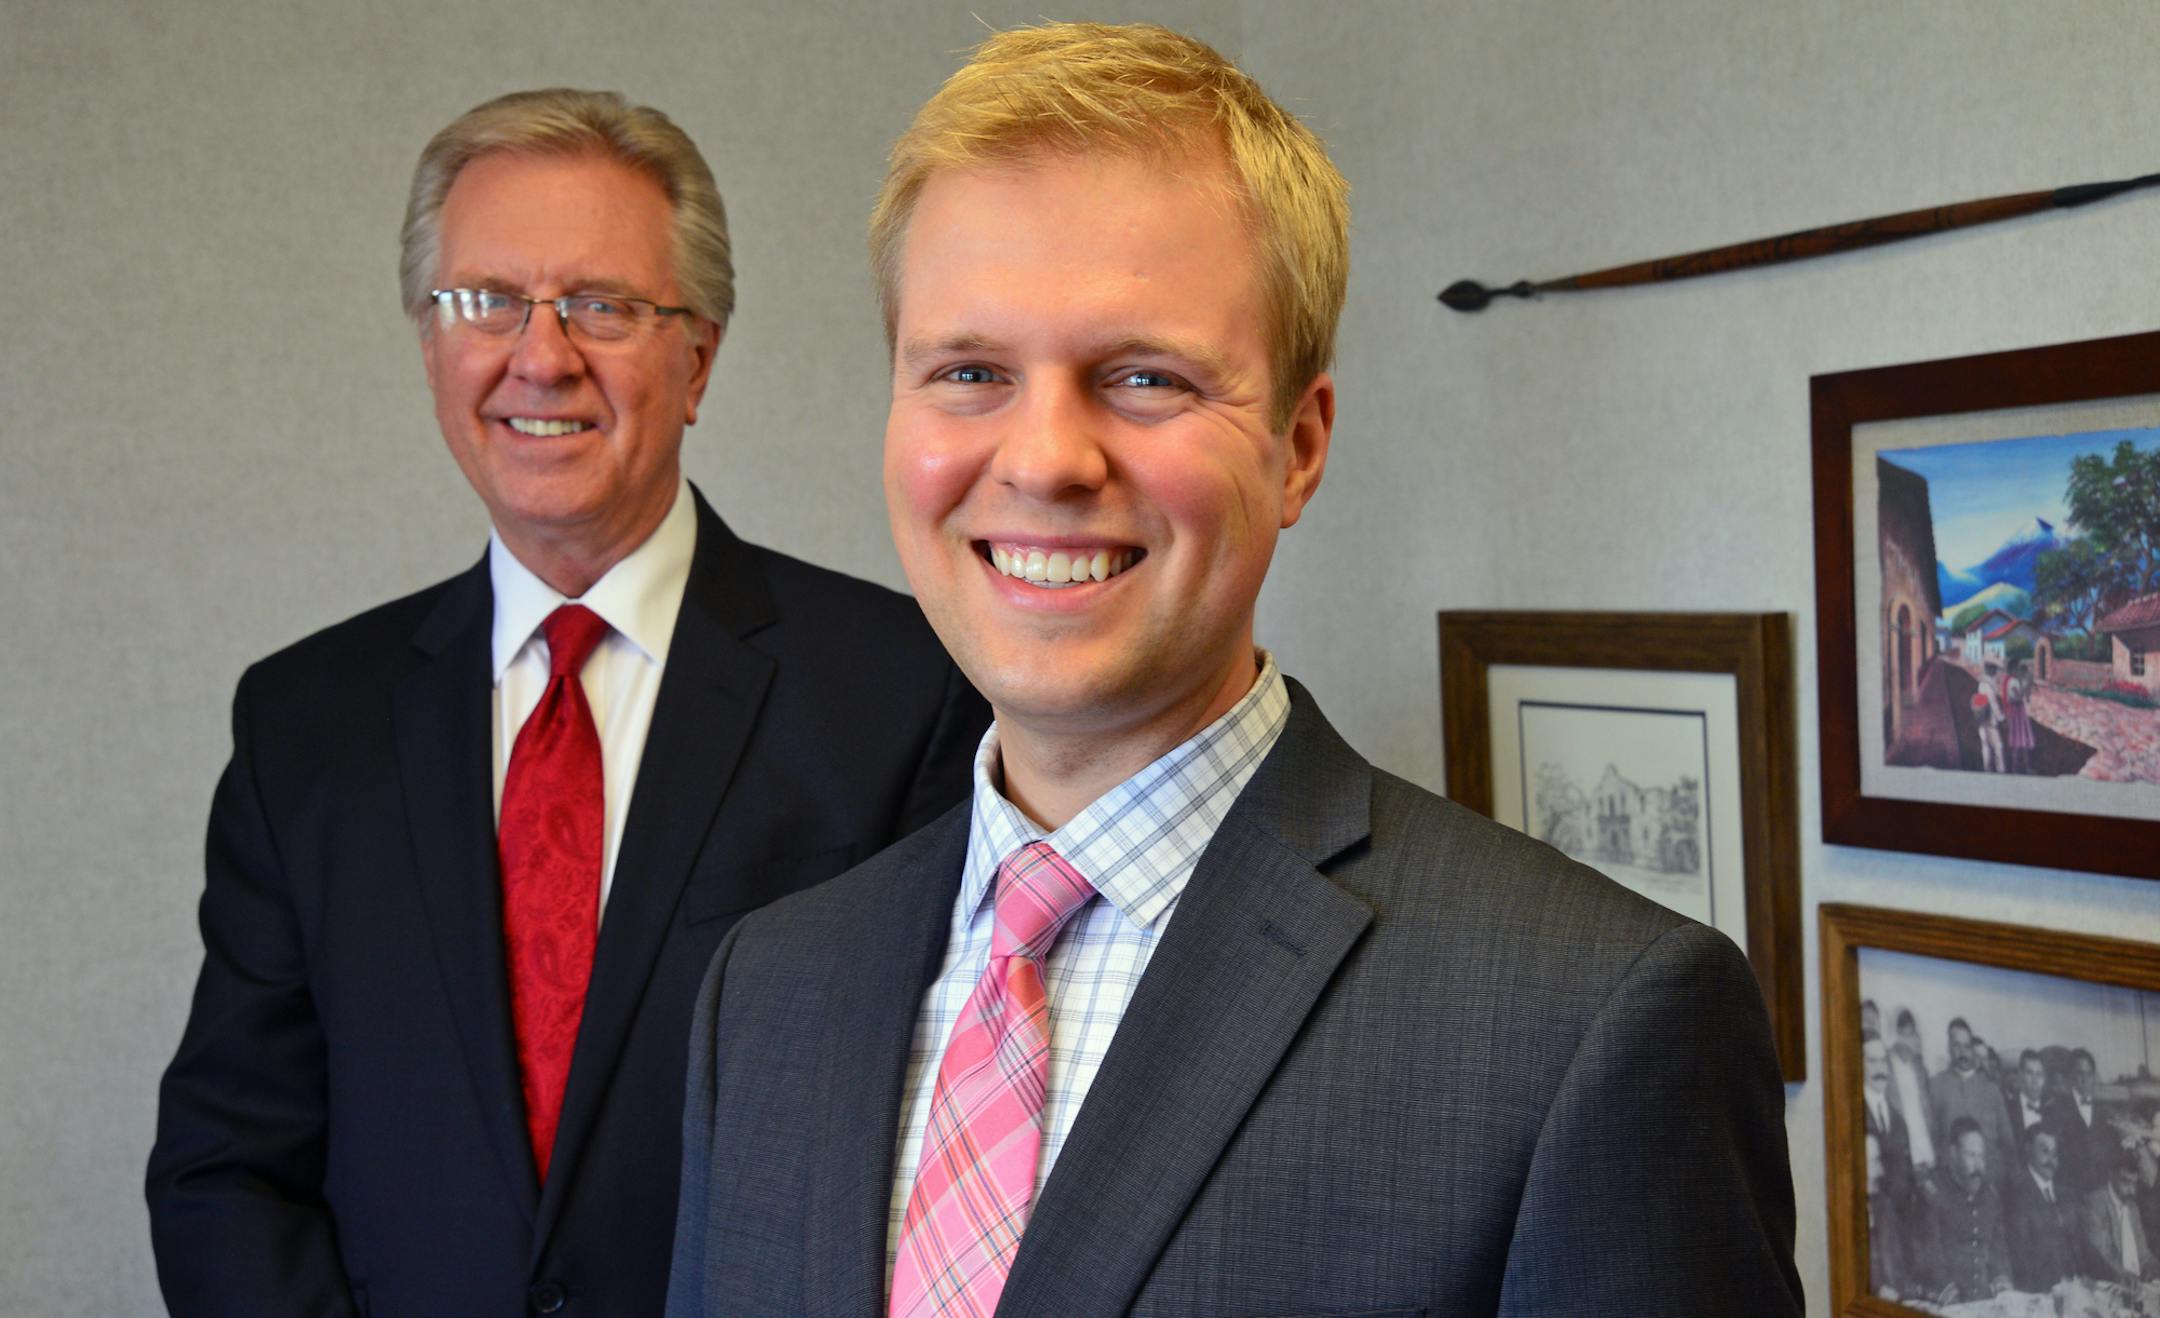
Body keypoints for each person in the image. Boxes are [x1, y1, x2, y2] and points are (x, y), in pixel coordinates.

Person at [665, 22, 1801, 1317]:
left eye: (1143, 377)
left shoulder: (1590, 1029)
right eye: (970, 371)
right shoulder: (762, 996)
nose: (1044, 460)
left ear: (1300, 446)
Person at [146, 88, 989, 1317]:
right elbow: (229, 1169)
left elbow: (939, 1165)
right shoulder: (302, 726)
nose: (540, 355)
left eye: (602, 304)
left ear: (697, 358)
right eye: (485, 301)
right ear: (432, 347)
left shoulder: (905, 689)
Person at [1928, 1118, 2012, 1303]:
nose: (1978, 1165)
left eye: (1981, 1156)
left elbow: (1999, 1249)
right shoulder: (1933, 1193)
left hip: (1985, 1297)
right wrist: (1947, 1292)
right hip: (1948, 1300)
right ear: (1953, 1153)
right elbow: (1929, 1254)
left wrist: (2001, 1281)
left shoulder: (1990, 1195)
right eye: (1971, 1155)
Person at [1934, 1017, 2016, 1182]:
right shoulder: (1935, 1086)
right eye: (1956, 1046)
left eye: (1966, 1046)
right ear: (1948, 1048)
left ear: (1972, 1049)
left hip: (1991, 1181)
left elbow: (2009, 1144)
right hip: (1952, 1182)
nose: (1962, 1052)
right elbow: (1932, 1138)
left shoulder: (1992, 1090)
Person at [2003, 1125, 2079, 1292]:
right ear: (2028, 1150)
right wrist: (2059, 1282)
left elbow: (2081, 1242)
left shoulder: (2065, 1193)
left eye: (2055, 1153)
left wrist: (2115, 1275)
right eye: (2045, 1151)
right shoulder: (2017, 1194)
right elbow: (2021, 1257)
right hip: (2040, 1291)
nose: (2051, 1160)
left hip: (2074, 1285)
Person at [2080, 1153, 2157, 1285]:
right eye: (2125, 1182)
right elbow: (2105, 1255)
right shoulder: (2095, 1204)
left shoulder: (2132, 1207)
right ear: (2112, 1175)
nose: (2131, 1190)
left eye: (2134, 1183)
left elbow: (2143, 1255)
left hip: (2134, 1284)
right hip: (2106, 1285)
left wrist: (2155, 1268)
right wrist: (2128, 1277)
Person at [2046, 1048, 2110, 1194]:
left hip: (2098, 1192)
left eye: (2089, 1074)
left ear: (2094, 1077)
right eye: (2080, 1073)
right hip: (2069, 1191)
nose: (2085, 1079)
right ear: (2071, 1076)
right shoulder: (2056, 1108)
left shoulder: (2102, 1111)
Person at [1889, 1008, 1940, 1184]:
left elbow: (1929, 1113)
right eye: (1907, 1033)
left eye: (1913, 1033)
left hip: (1927, 1157)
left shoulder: (1920, 1068)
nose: (1915, 1039)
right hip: (1902, 1160)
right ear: (1898, 1034)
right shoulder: (1887, 1066)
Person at [2004, 659, 2036, 774]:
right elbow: (2014, 698)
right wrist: (2025, 687)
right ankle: (2016, 768)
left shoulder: (2015, 681)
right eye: (2017, 668)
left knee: (2022, 741)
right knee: (2018, 741)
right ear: (2013, 670)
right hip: (2016, 712)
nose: (2018, 671)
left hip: (2019, 712)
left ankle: (2024, 768)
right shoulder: (2012, 682)